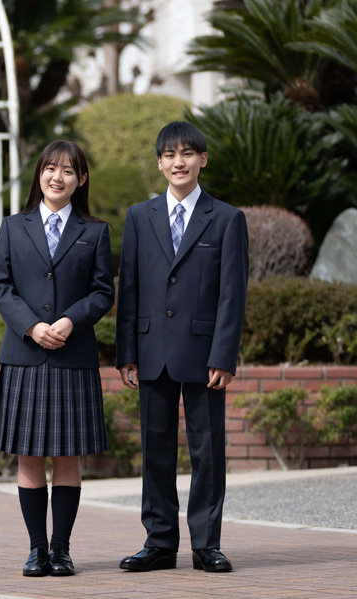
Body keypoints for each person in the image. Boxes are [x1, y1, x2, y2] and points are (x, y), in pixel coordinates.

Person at [116, 121, 248, 573]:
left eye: (188, 153)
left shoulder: (228, 219)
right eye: (170, 155)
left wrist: (224, 356)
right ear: (159, 163)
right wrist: (127, 352)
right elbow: (128, 287)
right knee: (155, 449)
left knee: (207, 451)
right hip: (152, 351)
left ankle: (206, 544)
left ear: (202, 160)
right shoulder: (139, 217)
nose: (179, 162)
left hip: (204, 354)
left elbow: (233, 294)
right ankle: (158, 543)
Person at [0, 140, 115, 578]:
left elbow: (103, 292)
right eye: (50, 168)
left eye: (68, 170)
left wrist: (69, 321)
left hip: (72, 355)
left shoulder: (95, 231)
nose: (57, 177)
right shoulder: (12, 226)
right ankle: (35, 550)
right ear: (39, 174)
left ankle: (61, 550)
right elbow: (0, 287)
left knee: (67, 457)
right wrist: (31, 326)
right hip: (24, 355)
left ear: (81, 180)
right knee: (28, 457)